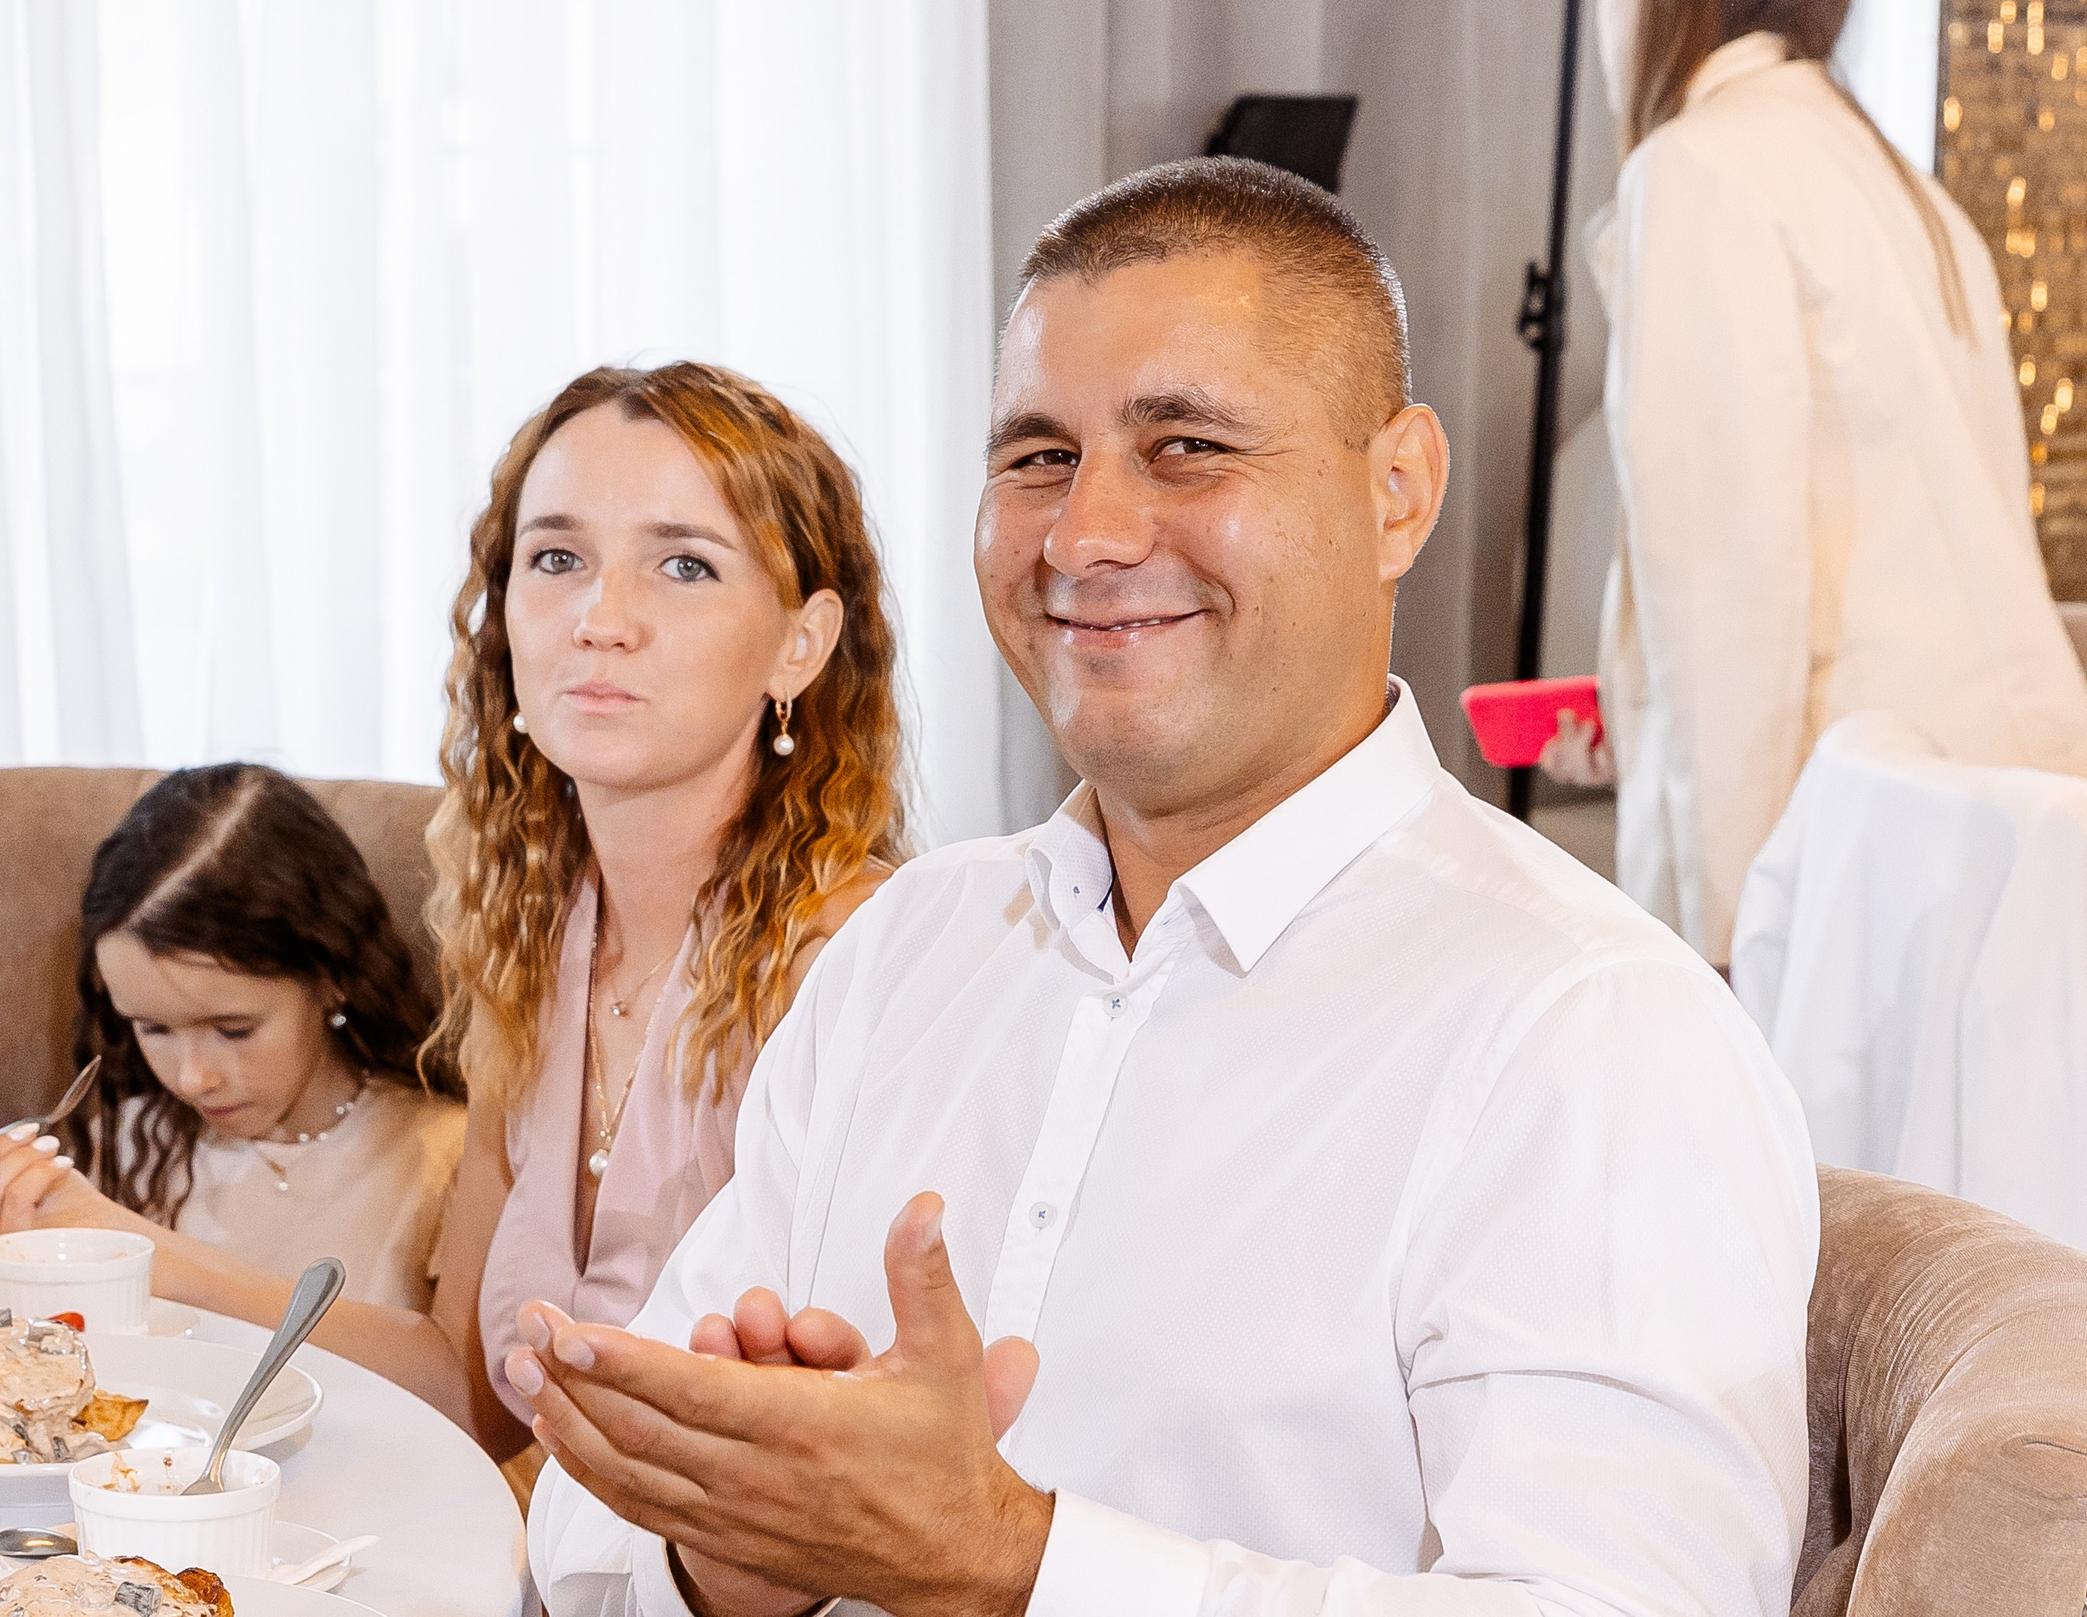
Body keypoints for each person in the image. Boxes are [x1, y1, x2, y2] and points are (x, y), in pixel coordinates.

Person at [512, 158, 1818, 1617]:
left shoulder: (1593, 1034)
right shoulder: (906, 947)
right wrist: (731, 1551)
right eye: (1038, 458)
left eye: (1185, 445)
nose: (1086, 535)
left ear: (1398, 491)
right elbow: (584, 1527)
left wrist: (1014, 1557)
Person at [0, 360, 905, 1464]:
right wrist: (111, 1239)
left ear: (800, 642)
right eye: (557, 558)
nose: (600, 618)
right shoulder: (533, 943)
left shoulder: (860, 961)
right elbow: (461, 1390)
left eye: (683, 565)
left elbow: (848, 1455)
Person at [1537, 0, 2087, 965]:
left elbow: (1730, 594)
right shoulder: (1892, 180)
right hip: (2005, 810)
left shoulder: (1699, 171)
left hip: (1883, 847)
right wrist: (1641, 729)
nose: (1607, 2)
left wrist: (1726, 933)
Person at [0, 762, 465, 1310]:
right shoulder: (125, 1147)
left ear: (332, 978)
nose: (193, 1078)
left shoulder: (444, 1160)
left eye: (234, 1029)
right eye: (152, 1028)